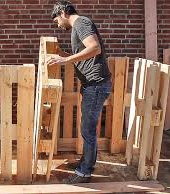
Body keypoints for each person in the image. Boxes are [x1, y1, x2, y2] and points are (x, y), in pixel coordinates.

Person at [47, 0, 112, 184]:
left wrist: (63, 61)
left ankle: (84, 173)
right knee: (86, 129)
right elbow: (84, 56)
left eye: (57, 21)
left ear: (63, 13)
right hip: (92, 85)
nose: (59, 26)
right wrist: (64, 55)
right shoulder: (78, 26)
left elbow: (94, 48)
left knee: (88, 130)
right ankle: (84, 163)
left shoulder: (81, 23)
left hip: (96, 85)